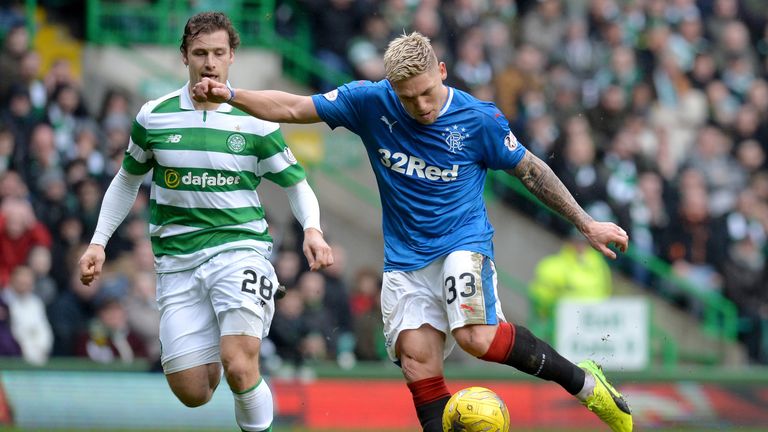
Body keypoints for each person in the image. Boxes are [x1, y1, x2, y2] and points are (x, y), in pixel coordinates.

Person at [192, 32, 632, 431]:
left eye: (427, 93)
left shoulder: (479, 119)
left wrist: (585, 222)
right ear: (391, 90)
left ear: (441, 71)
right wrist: (231, 94)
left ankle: (585, 384)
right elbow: (292, 107)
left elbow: (531, 170)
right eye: (408, 99)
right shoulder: (368, 101)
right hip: (404, 261)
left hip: (463, 243)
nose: (421, 106)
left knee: (476, 337)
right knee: (417, 363)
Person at [78, 12, 333, 432]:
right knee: (194, 391)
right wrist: (98, 242)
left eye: (218, 53)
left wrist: (313, 229)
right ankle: (222, 333)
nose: (209, 62)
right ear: (184, 57)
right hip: (177, 264)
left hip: (240, 251)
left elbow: (297, 183)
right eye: (200, 53)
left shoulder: (255, 120)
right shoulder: (153, 117)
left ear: (232, 56)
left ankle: (243, 366)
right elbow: (126, 181)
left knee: (239, 361)